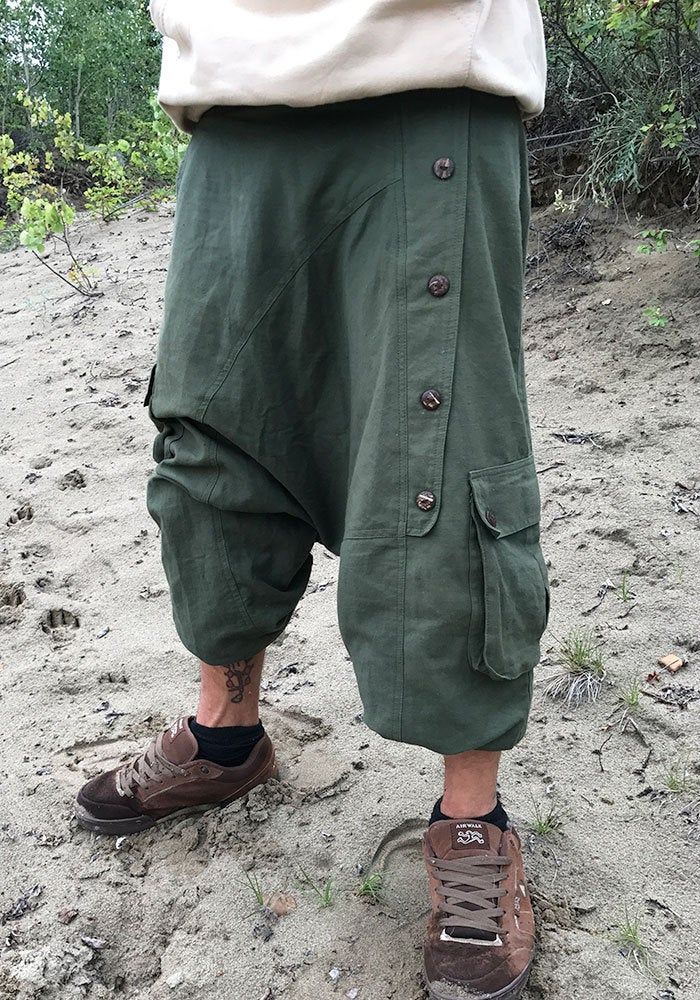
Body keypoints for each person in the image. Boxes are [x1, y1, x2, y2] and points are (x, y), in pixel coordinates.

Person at [75, 3, 549, 998]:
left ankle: (472, 822)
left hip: (427, 70)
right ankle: (225, 736)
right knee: (210, 447)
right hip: (231, 100)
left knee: (442, 457)